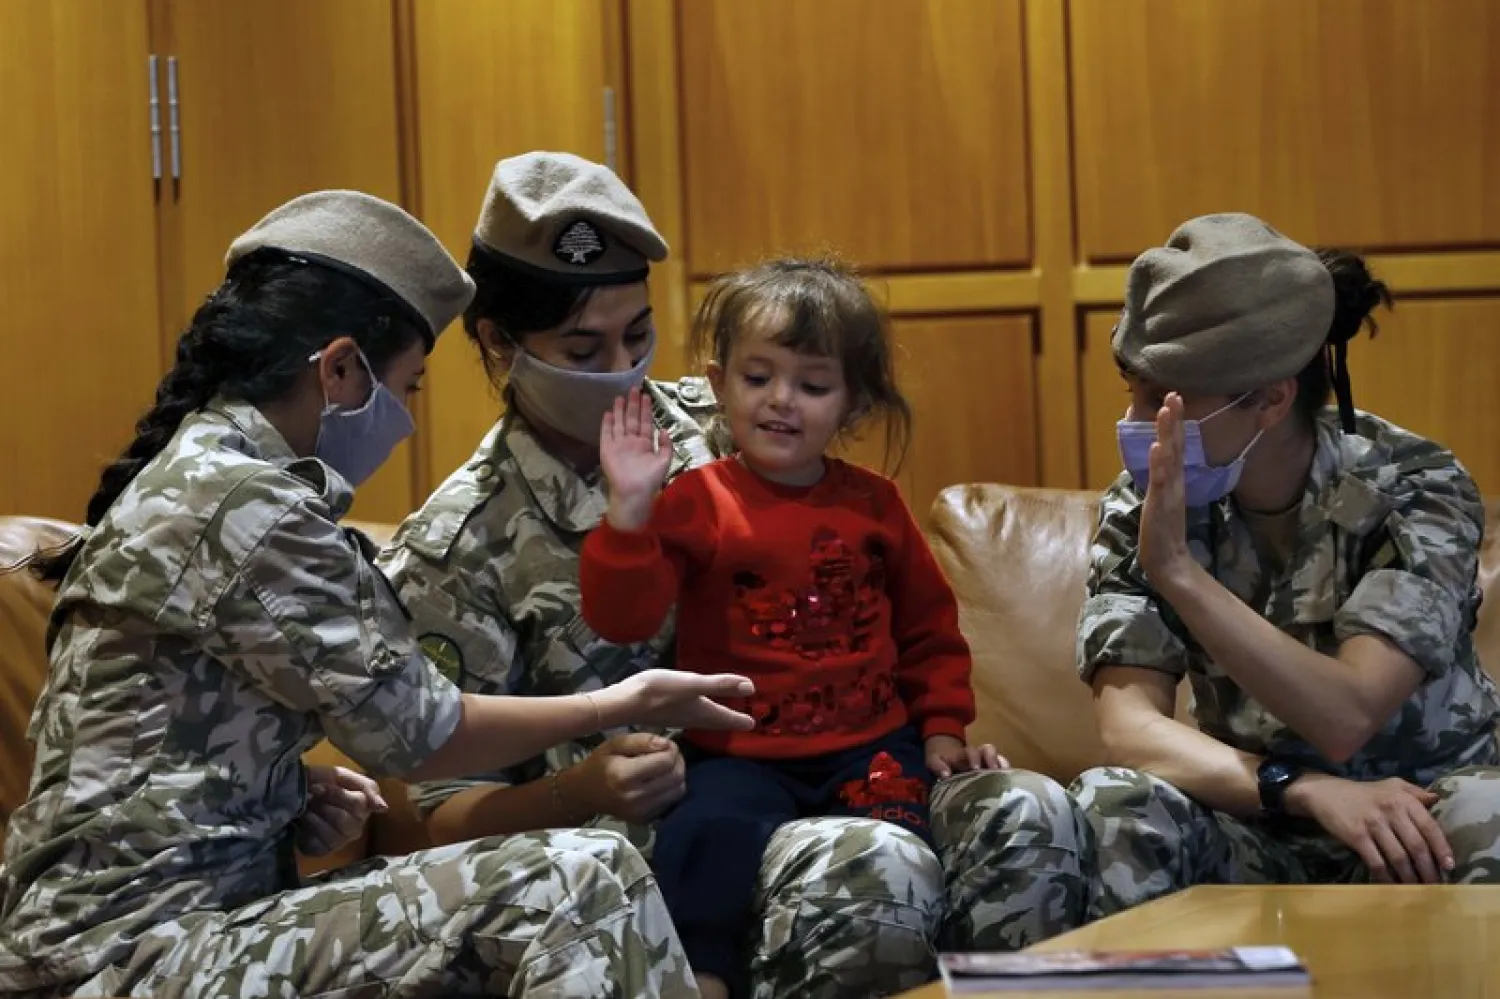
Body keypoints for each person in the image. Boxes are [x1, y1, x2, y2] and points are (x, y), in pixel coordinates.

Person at [0, 189, 755, 998]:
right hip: (126, 954)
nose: (404, 415)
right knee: (573, 880)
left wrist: (285, 790)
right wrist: (616, 704)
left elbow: (148, 739)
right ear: (338, 368)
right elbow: (423, 734)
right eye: (409, 387)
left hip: (154, 932)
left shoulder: (205, 474)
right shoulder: (245, 502)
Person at [380, 151, 1092, 998]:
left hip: (855, 758)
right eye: (582, 345)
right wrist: (580, 785)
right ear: (500, 341)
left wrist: (941, 727)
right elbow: (430, 813)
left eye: (637, 333)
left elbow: (910, 608)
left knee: (1034, 812)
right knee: (872, 863)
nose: (621, 366)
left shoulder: (731, 416)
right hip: (655, 845)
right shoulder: (458, 542)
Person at [578, 256, 1006, 999]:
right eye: (757, 377)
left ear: (851, 403)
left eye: (812, 384)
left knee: (907, 853)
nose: (782, 401)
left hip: (872, 746)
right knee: (702, 838)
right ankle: (705, 978)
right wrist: (628, 514)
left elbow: (930, 632)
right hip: (737, 753)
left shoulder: (876, 505)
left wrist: (942, 729)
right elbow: (625, 616)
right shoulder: (696, 501)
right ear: (718, 384)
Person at [1072, 212, 1500, 917]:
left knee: (1488, 810)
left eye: (1164, 394)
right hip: (1258, 815)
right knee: (1114, 801)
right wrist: (1299, 788)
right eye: (1133, 387)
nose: (1138, 418)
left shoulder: (1416, 486)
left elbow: (1348, 713)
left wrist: (1179, 572)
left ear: (1271, 397)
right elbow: (1129, 730)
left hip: (1418, 813)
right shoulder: (1148, 502)